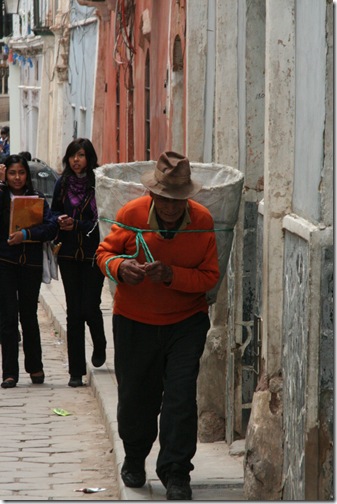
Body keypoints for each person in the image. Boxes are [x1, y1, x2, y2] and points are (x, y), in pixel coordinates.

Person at [96, 151, 220, 500]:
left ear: (187, 198)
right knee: (137, 396)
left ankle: (176, 472)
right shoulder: (131, 214)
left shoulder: (203, 221)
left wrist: (171, 275)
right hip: (135, 321)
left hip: (186, 322)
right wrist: (122, 268)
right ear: (153, 193)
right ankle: (135, 457)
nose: (169, 206)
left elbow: (210, 276)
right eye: (163, 198)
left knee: (180, 399)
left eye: (177, 200)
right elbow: (104, 254)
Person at [51, 138, 107, 388]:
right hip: (68, 255)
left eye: (81, 155)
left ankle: (100, 342)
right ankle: (76, 371)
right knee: (74, 311)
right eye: (73, 155)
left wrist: (78, 225)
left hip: (95, 254)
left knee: (90, 306)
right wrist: (59, 220)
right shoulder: (62, 184)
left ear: (89, 158)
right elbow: (52, 212)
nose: (76, 160)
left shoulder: (99, 184)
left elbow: (102, 220)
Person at [0, 155, 58, 388]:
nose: (17, 177)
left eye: (21, 173)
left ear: (27, 175)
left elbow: (51, 226)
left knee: (29, 316)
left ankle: (35, 367)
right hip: (4, 263)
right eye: (12, 173)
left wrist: (27, 235)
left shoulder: (37, 198)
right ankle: (9, 372)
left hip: (30, 265)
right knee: (7, 317)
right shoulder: (2, 197)